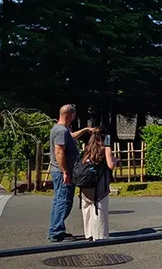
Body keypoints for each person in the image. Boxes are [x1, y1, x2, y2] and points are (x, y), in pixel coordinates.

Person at [48, 104, 93, 242]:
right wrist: (65, 171)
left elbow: (71, 136)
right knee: (64, 201)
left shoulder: (61, 129)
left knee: (59, 201)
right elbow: (59, 151)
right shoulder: (61, 131)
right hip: (62, 172)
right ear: (71, 115)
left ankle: (56, 229)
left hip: (60, 171)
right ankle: (57, 232)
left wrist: (85, 130)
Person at [78, 127, 117, 241]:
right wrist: (115, 160)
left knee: (87, 209)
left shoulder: (86, 149)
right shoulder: (106, 149)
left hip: (85, 184)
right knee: (99, 210)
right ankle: (99, 235)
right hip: (99, 183)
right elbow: (111, 165)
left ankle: (88, 233)